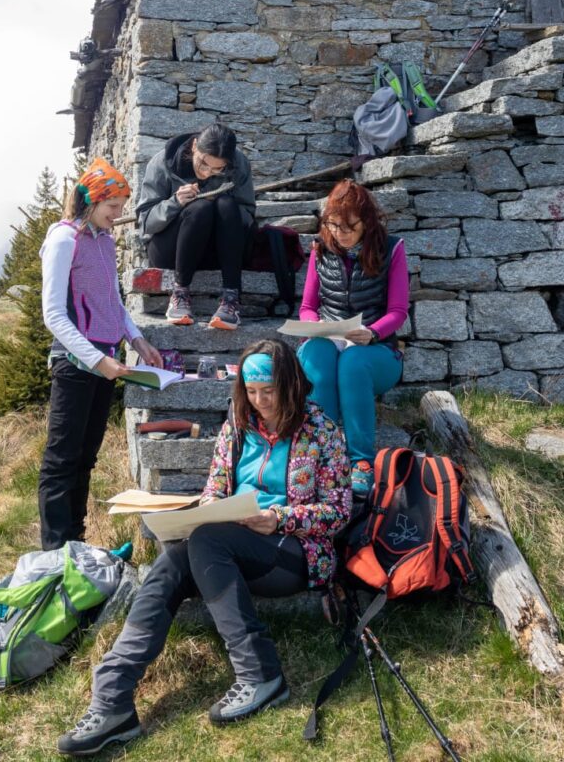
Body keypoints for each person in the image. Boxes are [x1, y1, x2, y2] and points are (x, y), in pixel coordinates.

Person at [56, 338, 351, 757]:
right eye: (252, 391)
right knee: (172, 562)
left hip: (294, 552)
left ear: (291, 385)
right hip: (232, 545)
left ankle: (260, 673)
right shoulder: (239, 424)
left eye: (269, 391)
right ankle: (112, 702)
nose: (261, 401)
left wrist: (279, 518)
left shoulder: (322, 431)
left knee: (206, 540)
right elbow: (215, 487)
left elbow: (339, 511)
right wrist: (210, 507)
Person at [38, 157, 163, 551]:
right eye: (113, 207)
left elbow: (113, 300)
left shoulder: (104, 241)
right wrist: (96, 360)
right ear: (92, 200)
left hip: (106, 361)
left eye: (122, 208)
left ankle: (75, 543)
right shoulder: (63, 239)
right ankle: (55, 554)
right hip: (76, 364)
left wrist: (137, 339)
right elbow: (54, 314)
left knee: (86, 458)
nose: (118, 215)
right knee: (62, 461)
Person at [297, 180, 409, 498]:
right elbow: (307, 307)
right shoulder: (320, 249)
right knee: (317, 352)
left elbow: (398, 311)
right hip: (331, 341)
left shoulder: (393, 249)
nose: (341, 234)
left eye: (350, 226)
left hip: (377, 352)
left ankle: (361, 462)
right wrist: (315, 326)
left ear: (366, 222)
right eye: (333, 225)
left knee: (352, 361)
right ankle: (323, 455)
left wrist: (373, 333)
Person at [135, 123, 255, 330]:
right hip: (171, 251)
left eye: (218, 168)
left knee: (226, 204)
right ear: (194, 146)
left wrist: (220, 209)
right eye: (203, 163)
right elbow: (145, 223)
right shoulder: (163, 163)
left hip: (220, 250)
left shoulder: (240, 163)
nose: (207, 173)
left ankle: (230, 299)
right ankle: (180, 293)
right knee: (199, 208)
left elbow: (248, 215)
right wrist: (175, 203)